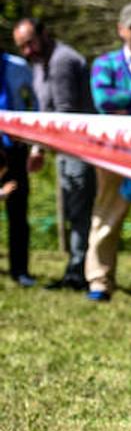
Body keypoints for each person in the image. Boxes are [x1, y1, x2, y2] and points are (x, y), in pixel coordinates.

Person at [12, 17, 95, 289]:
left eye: (30, 43)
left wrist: (38, 146)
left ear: (44, 34)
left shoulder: (62, 61)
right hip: (61, 149)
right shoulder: (40, 64)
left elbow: (63, 114)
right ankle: (74, 269)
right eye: (22, 47)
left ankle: (78, 273)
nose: (27, 51)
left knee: (80, 212)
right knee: (72, 211)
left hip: (78, 148)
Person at [84, 2, 131, 302]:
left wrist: (129, 102)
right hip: (112, 152)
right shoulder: (106, 63)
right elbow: (104, 100)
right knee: (106, 215)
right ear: (121, 29)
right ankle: (99, 280)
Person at [0, 48, 35, 286]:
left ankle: (20, 270)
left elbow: (35, 104)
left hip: (15, 149)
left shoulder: (19, 67)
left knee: (18, 211)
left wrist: (35, 146)